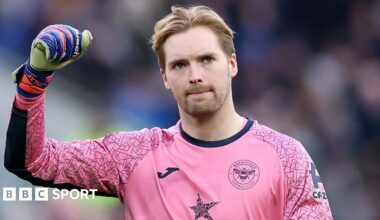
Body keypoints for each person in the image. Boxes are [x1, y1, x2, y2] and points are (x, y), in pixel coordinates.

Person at [4, 5, 333, 220]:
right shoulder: (133, 155)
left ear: (232, 64)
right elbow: (32, 162)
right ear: (165, 77)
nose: (195, 75)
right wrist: (34, 80)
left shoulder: (286, 157)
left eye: (206, 59)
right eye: (179, 64)